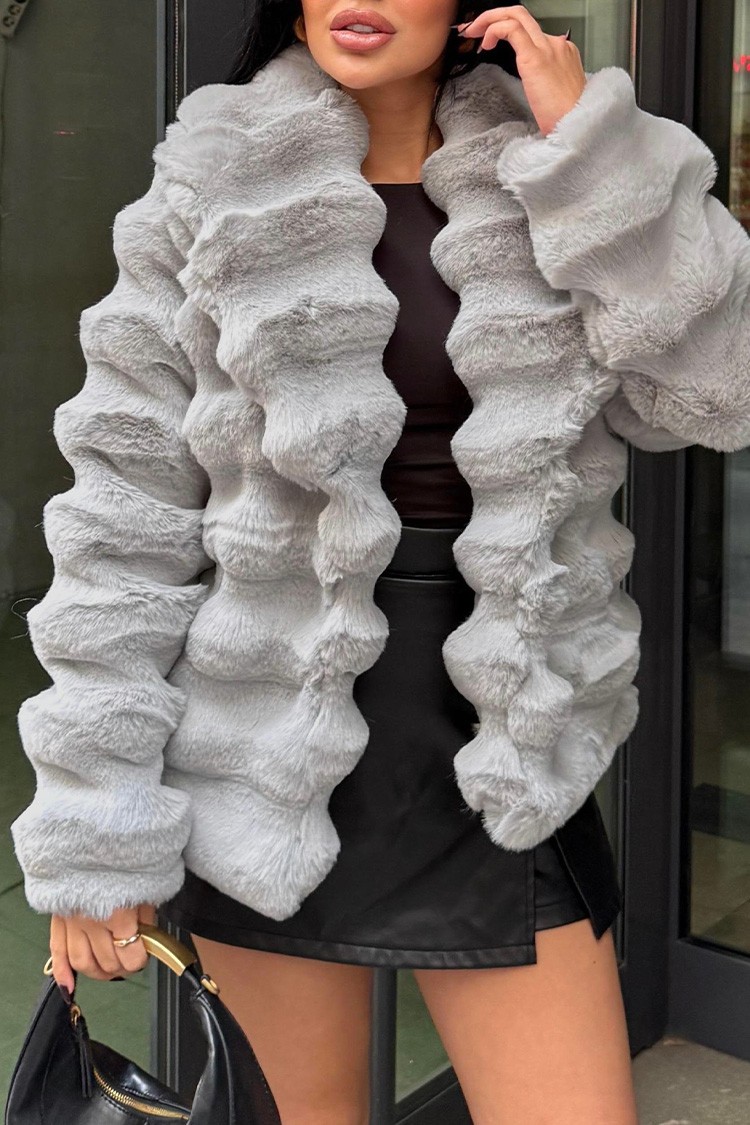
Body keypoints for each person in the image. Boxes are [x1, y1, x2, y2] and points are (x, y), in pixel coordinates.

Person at [11, 3, 750, 1123]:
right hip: (265, 755)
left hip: (502, 745)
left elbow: (714, 393)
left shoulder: (553, 168)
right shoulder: (211, 186)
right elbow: (120, 520)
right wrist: (94, 825)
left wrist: (594, 155)